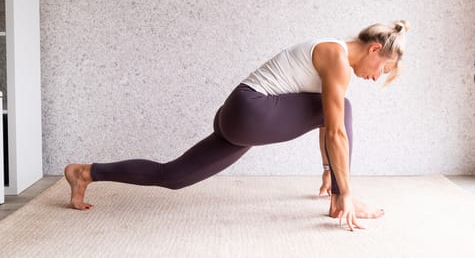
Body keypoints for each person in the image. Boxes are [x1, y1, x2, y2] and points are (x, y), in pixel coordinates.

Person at [65, 20, 409, 231]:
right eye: (382, 70)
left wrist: (328, 168)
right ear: (375, 49)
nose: (376, 77)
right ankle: (340, 201)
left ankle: (86, 172)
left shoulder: (334, 57)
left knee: (173, 176)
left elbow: (327, 123)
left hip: (238, 115)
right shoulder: (336, 58)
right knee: (342, 107)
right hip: (252, 111)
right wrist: (344, 190)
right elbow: (334, 128)